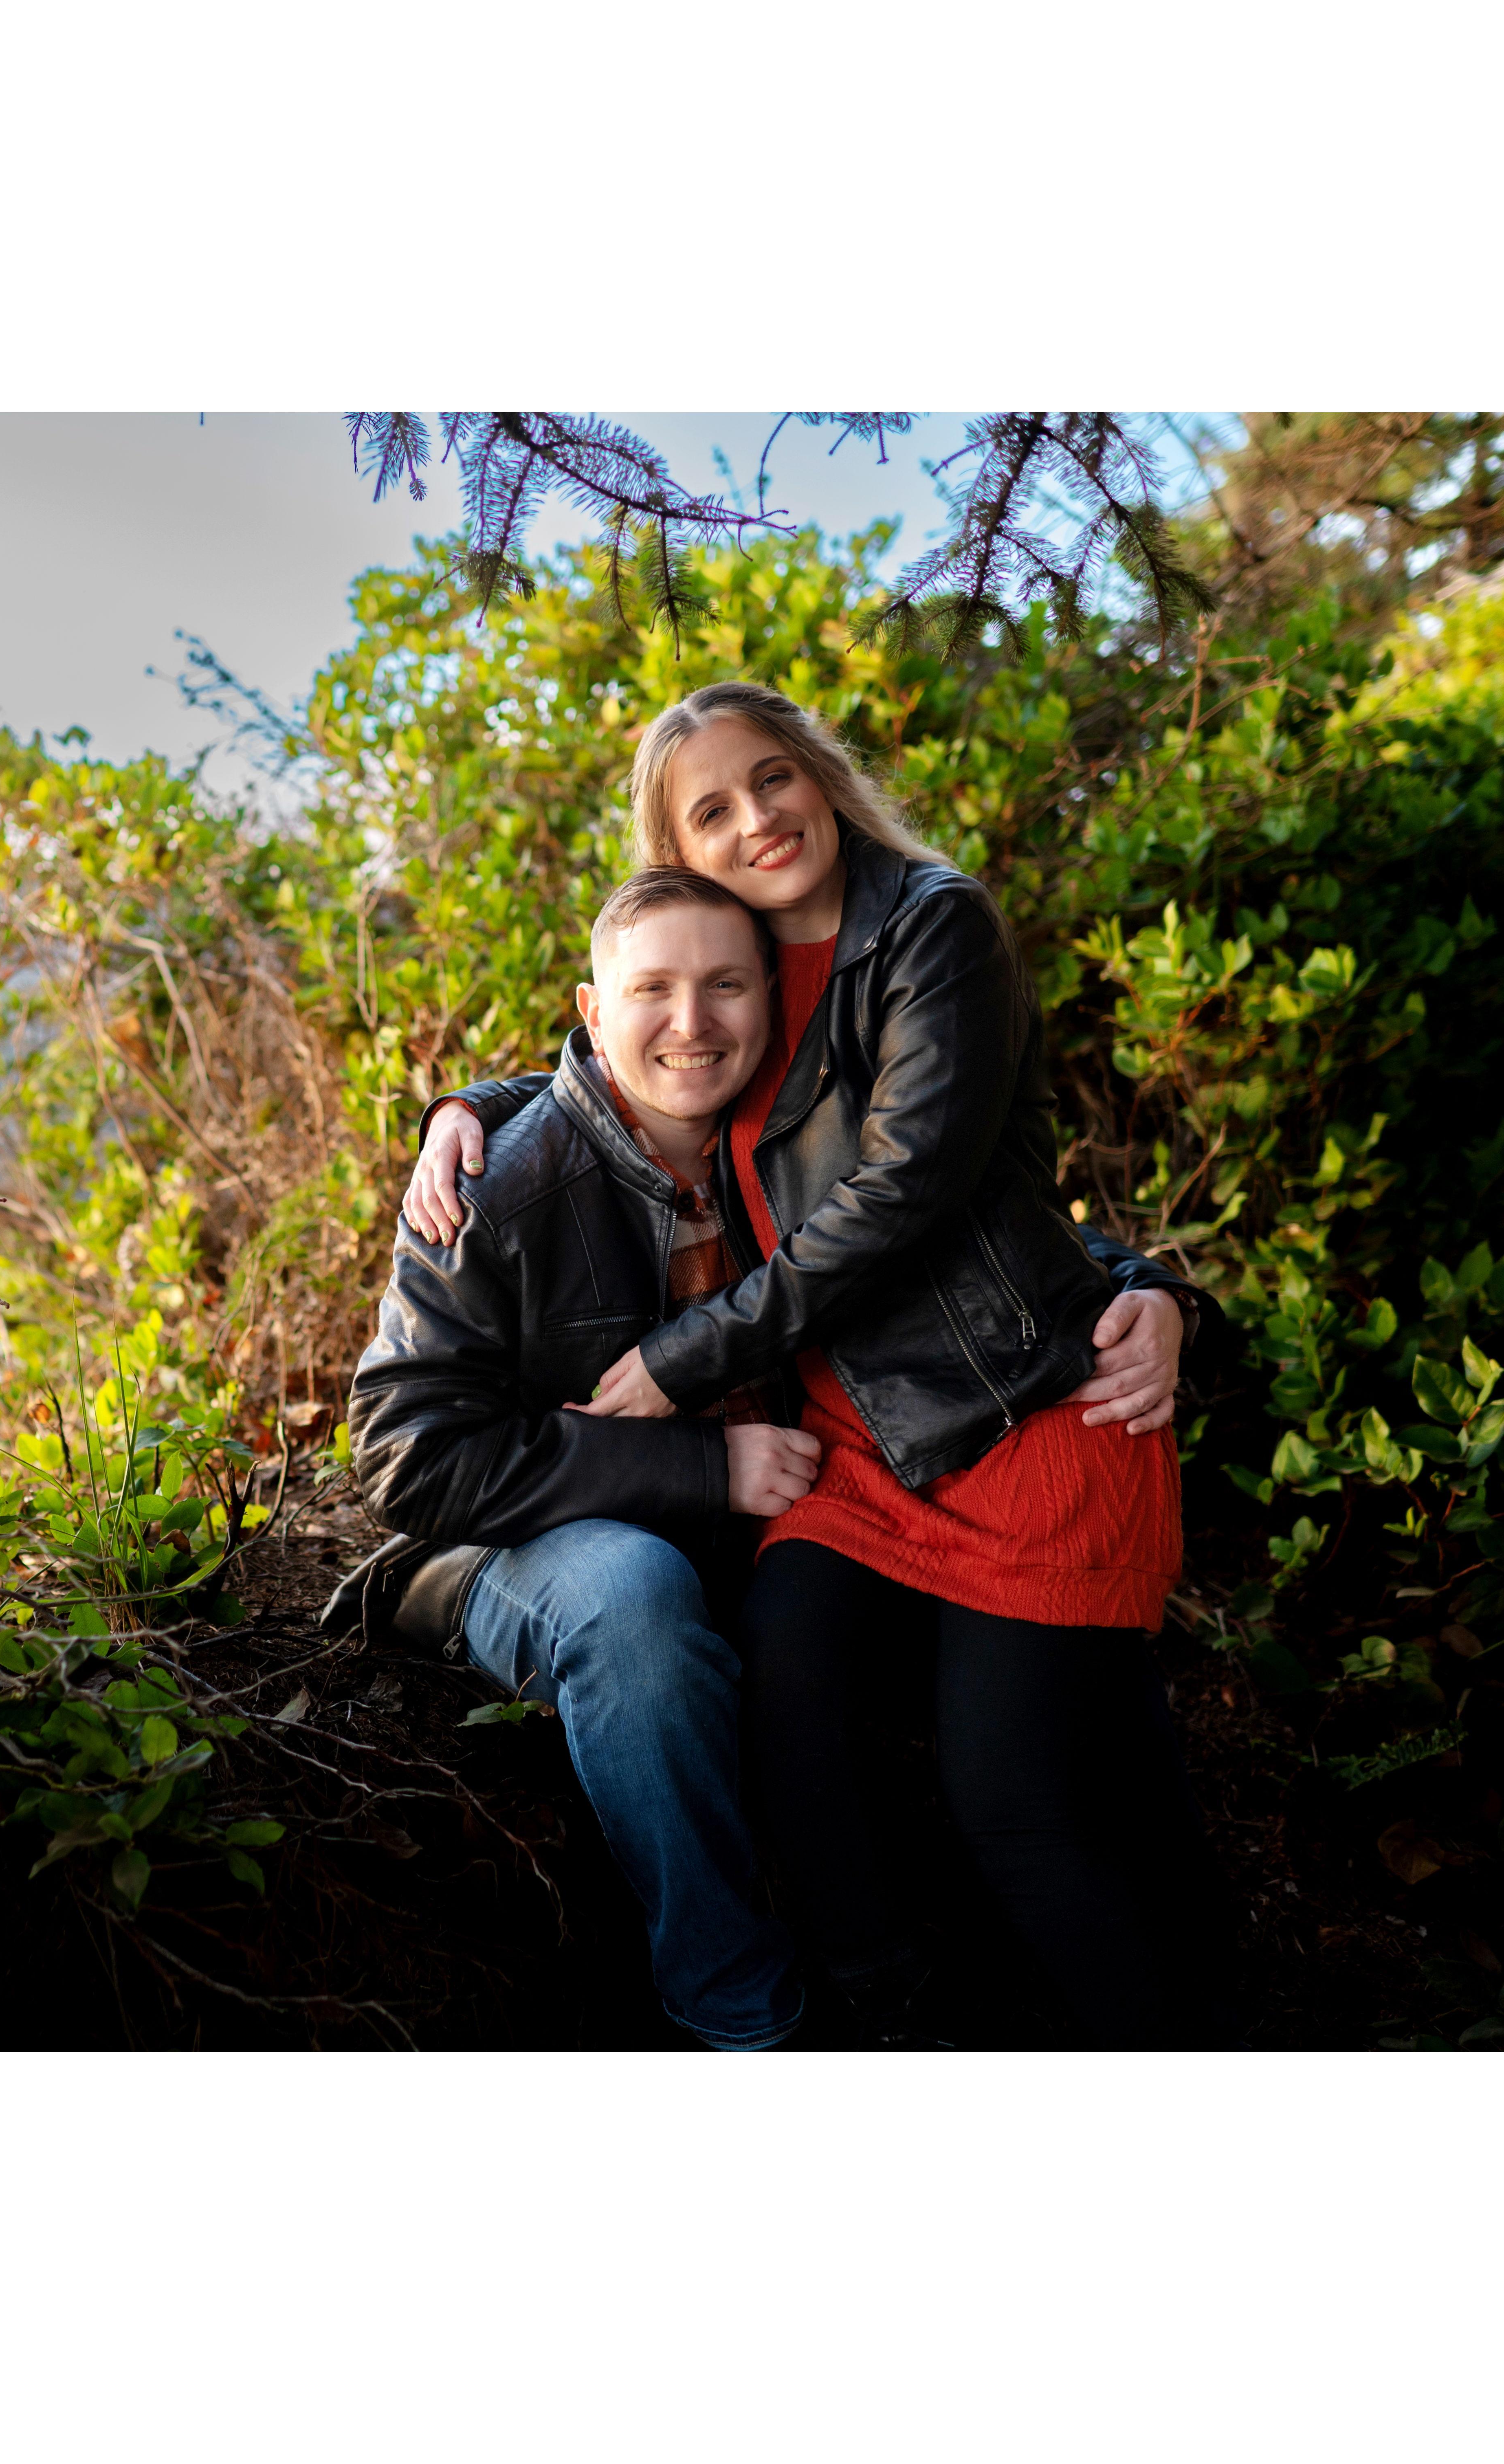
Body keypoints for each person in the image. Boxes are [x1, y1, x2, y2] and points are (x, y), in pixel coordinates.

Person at [402, 680, 1230, 2048]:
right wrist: (465, 1107)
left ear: (820, 772)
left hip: (1013, 1416)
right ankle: (877, 2017)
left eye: (772, 779)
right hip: (859, 1459)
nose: (758, 820)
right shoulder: (740, 968)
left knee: (1023, 1802)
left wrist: (1158, 1293)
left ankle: (1183, 2039)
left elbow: (918, 1189)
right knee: (794, 1699)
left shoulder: (929, 925)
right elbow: (634, 1040)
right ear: (678, 857)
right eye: (711, 810)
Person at [347, 866, 823, 2048]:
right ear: (592, 1007)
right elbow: (410, 1458)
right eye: (651, 989)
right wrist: (700, 1473)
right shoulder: (491, 1188)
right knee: (633, 1601)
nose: (691, 1022)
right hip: (515, 1554)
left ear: (770, 998)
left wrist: (1143, 1290)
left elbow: (967, 1221)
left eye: (724, 986)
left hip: (777, 1530)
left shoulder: (807, 1142)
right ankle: (740, 2019)